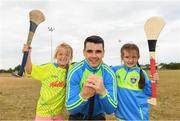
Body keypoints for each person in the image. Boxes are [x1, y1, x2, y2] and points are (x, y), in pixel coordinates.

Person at [66, 35, 117, 120]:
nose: (94, 56)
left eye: (98, 51)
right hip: (77, 117)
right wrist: (84, 95)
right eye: (89, 51)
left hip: (98, 117)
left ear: (103, 53)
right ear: (84, 53)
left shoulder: (109, 74)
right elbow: (70, 109)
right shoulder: (75, 72)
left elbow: (110, 110)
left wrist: (103, 92)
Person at [22, 42, 73, 121]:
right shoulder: (48, 68)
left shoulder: (70, 71)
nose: (63, 57)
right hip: (43, 113)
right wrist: (28, 54)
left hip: (58, 114)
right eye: (60, 54)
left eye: (67, 55)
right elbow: (29, 70)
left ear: (70, 57)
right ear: (56, 55)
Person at [112, 43, 159, 120]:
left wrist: (154, 82)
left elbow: (149, 92)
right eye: (127, 57)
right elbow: (104, 71)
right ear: (122, 57)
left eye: (134, 57)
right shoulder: (116, 70)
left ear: (138, 57)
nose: (130, 60)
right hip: (121, 116)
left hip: (138, 116)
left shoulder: (141, 73)